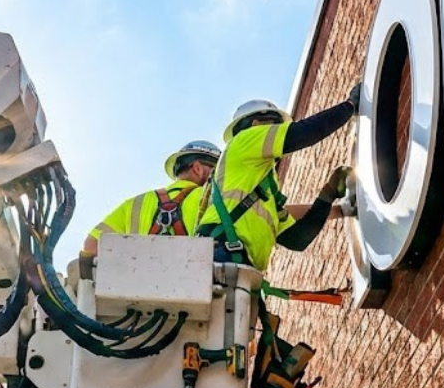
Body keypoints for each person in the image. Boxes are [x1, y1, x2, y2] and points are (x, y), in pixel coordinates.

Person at [196, 85, 360, 271]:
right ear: (256, 125)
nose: (280, 132)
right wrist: (350, 106)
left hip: (237, 265)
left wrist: (328, 194)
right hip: (221, 254)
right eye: (276, 127)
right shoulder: (243, 141)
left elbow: (298, 238)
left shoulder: (265, 189)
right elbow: (302, 133)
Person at [81, 140, 221, 261]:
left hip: (133, 287)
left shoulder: (134, 204)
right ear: (197, 168)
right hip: (195, 287)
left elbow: (91, 246)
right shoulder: (214, 199)